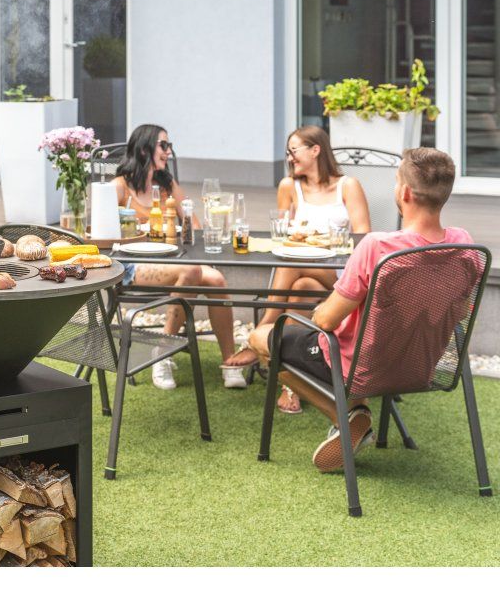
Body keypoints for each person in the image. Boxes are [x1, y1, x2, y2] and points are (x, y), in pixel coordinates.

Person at [247, 148, 471, 472]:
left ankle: (349, 418)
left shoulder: (378, 247)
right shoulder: (464, 247)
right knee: (347, 340)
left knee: (260, 338)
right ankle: (355, 413)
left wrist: (321, 309)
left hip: (362, 369)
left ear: (405, 193)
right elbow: (459, 312)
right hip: (421, 368)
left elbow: (326, 320)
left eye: (397, 182)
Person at [223, 126, 370, 414]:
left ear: (315, 150)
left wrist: (324, 240)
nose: (290, 158)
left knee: (293, 263)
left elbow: (363, 237)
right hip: (305, 275)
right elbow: (282, 237)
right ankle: (291, 386)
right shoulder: (289, 187)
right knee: (301, 287)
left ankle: (260, 332)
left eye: (294, 151)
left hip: (338, 273)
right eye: (288, 152)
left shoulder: (348, 186)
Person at [112, 124, 244, 390]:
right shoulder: (120, 187)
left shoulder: (166, 185)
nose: (169, 151)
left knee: (216, 279)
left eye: (169, 146)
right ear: (144, 149)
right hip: (133, 265)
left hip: (175, 259)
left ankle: (230, 361)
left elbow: (192, 222)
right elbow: (102, 232)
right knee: (192, 271)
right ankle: (163, 351)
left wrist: (200, 237)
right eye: (163, 145)